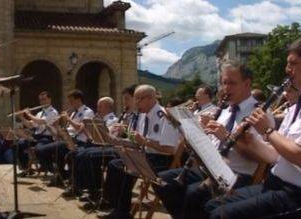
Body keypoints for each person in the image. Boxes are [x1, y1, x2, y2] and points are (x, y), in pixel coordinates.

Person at [204, 36, 301, 219]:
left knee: (220, 215)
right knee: (212, 205)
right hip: (276, 184)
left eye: (293, 63)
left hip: (300, 196)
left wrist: (268, 131)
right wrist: (250, 141)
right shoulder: (298, 105)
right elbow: (276, 156)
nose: (287, 70)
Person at [153, 59, 274, 219]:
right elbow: (209, 146)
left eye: (231, 83)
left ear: (247, 83)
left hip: (237, 174)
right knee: (162, 181)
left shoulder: (260, 113)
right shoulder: (225, 110)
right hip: (211, 169)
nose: (226, 89)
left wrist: (227, 137)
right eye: (224, 83)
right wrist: (195, 133)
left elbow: (260, 158)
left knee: (194, 194)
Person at [99, 84, 181, 219]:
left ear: (150, 98)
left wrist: (145, 142)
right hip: (145, 155)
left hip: (161, 159)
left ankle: (122, 212)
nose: (136, 103)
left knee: (125, 169)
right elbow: (139, 141)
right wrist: (122, 136)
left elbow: (169, 149)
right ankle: (117, 207)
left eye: (138, 99)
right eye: (135, 99)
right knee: (115, 165)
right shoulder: (143, 115)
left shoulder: (165, 116)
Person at [16, 91, 58, 175]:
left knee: (39, 149)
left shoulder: (53, 112)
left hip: (47, 138)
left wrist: (28, 114)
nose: (42, 102)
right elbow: (30, 125)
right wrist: (21, 117)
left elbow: (41, 121)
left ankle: (51, 169)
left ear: (50, 99)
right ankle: (26, 168)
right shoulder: (39, 113)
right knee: (19, 144)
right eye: (41, 100)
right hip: (37, 137)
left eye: (44, 99)